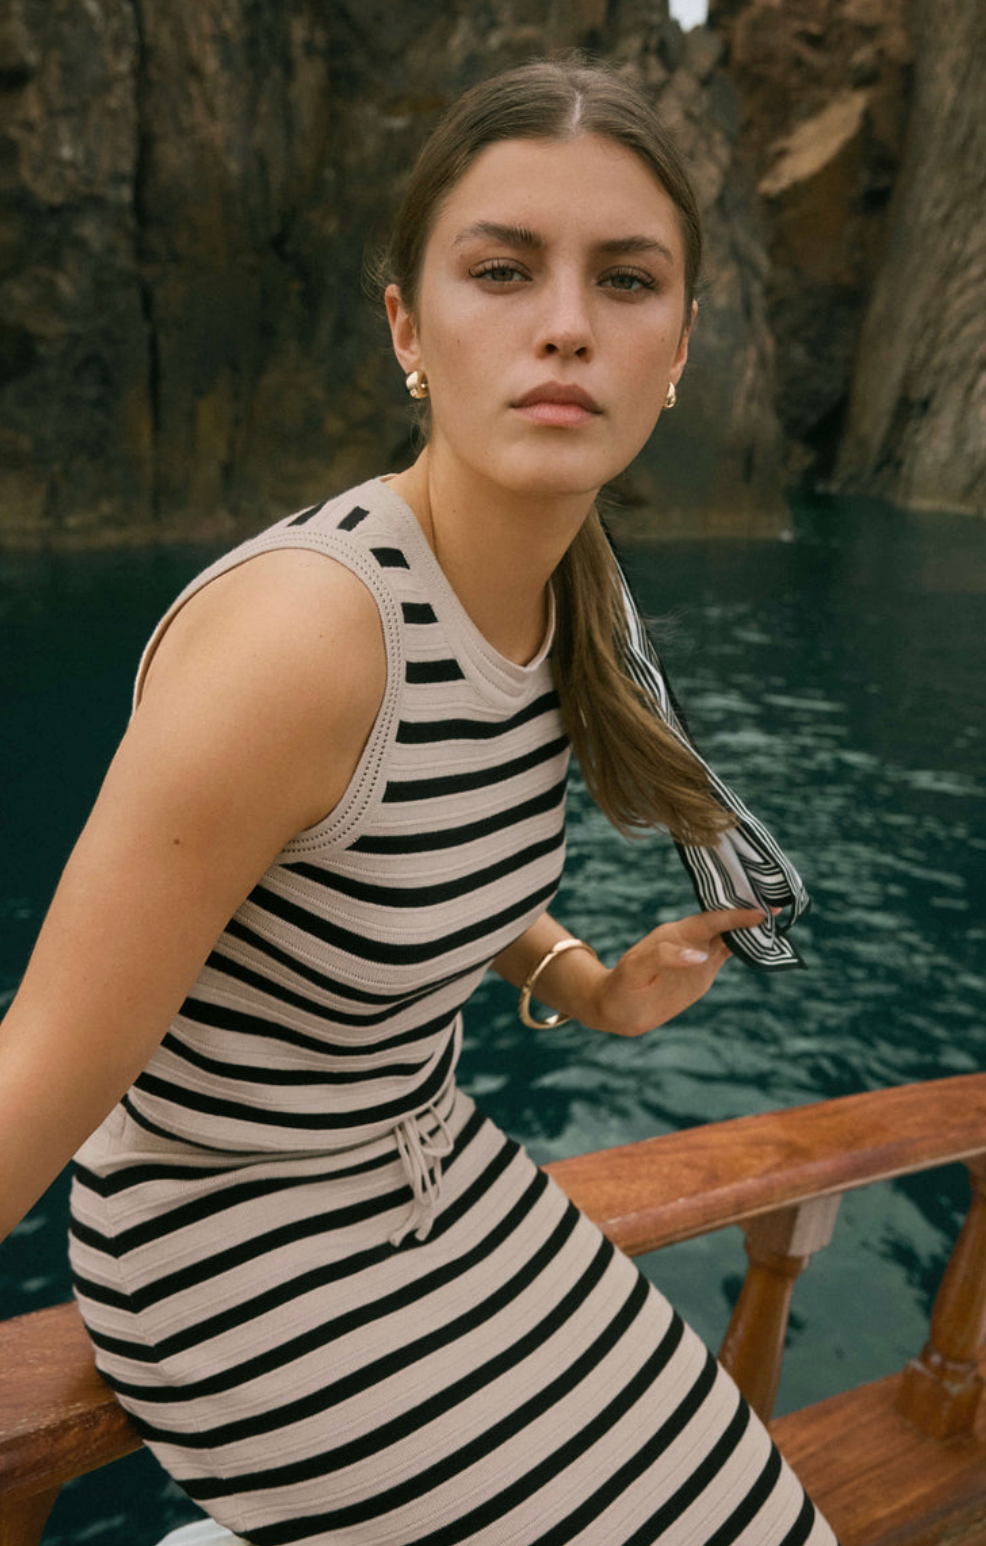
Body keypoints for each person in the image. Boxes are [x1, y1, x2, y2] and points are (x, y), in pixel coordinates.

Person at [0, 57, 835, 1546]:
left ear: (679, 347)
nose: (566, 323)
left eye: (625, 279)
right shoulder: (307, 636)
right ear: (408, 327)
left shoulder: (561, 599)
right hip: (235, 1250)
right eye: (503, 271)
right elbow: (45, 1066)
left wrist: (583, 983)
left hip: (437, 1172)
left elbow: (396, 856)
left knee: (770, 1520)